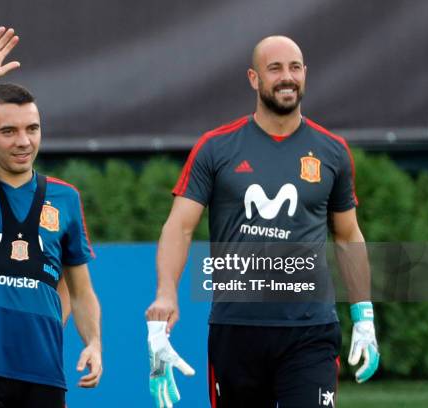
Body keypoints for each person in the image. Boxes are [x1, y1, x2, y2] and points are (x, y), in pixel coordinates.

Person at [145, 35, 379, 407]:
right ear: (254, 79)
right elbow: (179, 226)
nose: (287, 77)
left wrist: (363, 313)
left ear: (305, 74)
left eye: (295, 67)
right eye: (275, 68)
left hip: (310, 331)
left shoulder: (332, 151)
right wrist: (166, 292)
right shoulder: (216, 147)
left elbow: (348, 235)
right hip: (237, 331)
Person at [0, 25, 102, 408]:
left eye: (32, 129)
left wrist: (93, 343)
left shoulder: (66, 198)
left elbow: (81, 289)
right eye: (8, 131)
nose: (23, 141)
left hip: (42, 375)